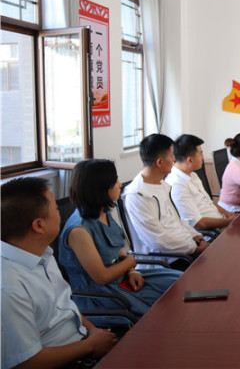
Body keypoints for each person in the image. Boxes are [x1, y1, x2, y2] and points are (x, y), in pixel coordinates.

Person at [1, 177, 117, 369]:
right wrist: (90, 346)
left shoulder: (42, 253)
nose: (61, 213)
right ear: (39, 225)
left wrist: (93, 331)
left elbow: (66, 307)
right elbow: (26, 362)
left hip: (83, 342)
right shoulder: (8, 287)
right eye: (56, 209)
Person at [58, 159, 182, 322]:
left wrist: (132, 271)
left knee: (179, 281)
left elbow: (116, 250)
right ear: (101, 188)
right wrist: (130, 261)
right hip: (100, 296)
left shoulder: (102, 212)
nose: (120, 184)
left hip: (121, 279)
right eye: (115, 181)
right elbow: (102, 277)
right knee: (164, 309)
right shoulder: (79, 230)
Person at [123, 134, 209, 271]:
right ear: (160, 162)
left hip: (184, 249)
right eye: (171, 156)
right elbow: (158, 240)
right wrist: (194, 248)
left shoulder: (162, 184)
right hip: (165, 260)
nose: (175, 159)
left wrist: (197, 237)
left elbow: (178, 221)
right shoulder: (136, 195)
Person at [166, 134, 237, 231]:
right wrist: (228, 222)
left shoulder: (193, 175)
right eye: (200, 154)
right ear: (190, 160)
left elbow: (209, 202)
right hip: (210, 232)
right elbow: (198, 224)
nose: (203, 157)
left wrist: (228, 214)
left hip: (221, 223)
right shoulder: (177, 185)